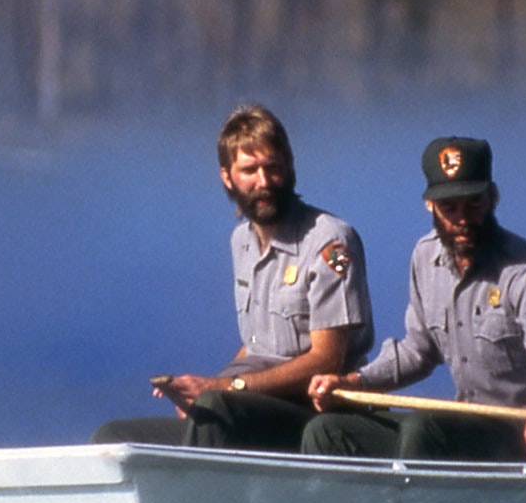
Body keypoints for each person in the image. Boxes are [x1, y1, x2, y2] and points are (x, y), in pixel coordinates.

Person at [89, 104, 373, 451]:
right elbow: (257, 345)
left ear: (291, 167)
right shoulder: (241, 241)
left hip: (315, 413)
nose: (264, 182)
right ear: (227, 177)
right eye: (249, 170)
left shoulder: (329, 241)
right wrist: (203, 388)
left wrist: (223, 389)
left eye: (273, 168)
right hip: (247, 407)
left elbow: (327, 359)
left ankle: (206, 498)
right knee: (114, 438)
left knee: (215, 407)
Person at [302, 136, 526, 465]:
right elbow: (418, 351)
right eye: (449, 207)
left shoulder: (525, 269)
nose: (462, 219)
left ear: (493, 197)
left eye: (473, 203)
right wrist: (352, 381)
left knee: (423, 430)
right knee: (327, 430)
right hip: (464, 428)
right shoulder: (425, 256)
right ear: (429, 205)